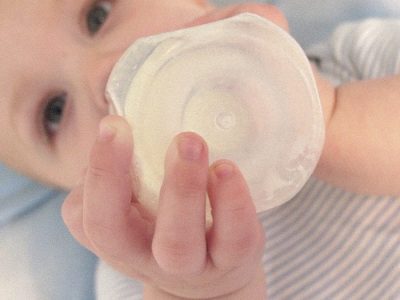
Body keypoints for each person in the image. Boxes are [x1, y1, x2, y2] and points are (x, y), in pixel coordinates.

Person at [0, 1, 398, 299]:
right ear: (67, 185)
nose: (103, 73)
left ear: (197, 3)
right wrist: (213, 291)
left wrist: (327, 117)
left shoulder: (353, 59)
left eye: (97, 16)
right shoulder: (147, 272)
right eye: (54, 111)